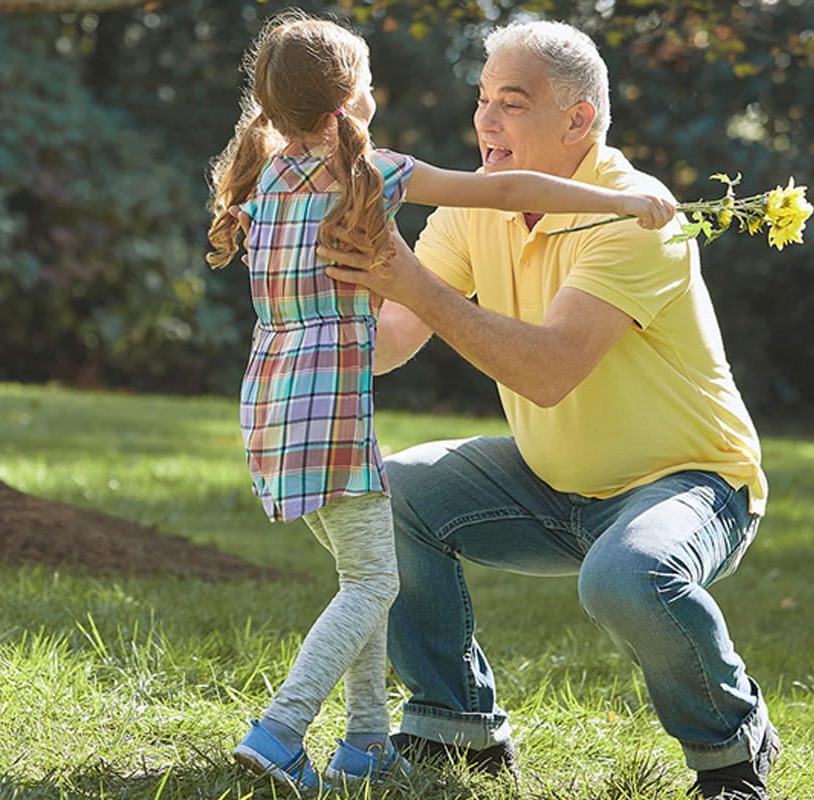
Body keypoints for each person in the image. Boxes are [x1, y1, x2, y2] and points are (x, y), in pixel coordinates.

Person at [204, 11, 674, 794]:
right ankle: (281, 730)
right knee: (371, 587)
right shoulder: (371, 172)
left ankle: (362, 746)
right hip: (332, 411)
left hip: (271, 402)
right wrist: (623, 205)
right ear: (346, 107)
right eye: (367, 85)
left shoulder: (264, 179)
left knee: (364, 573)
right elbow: (509, 188)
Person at [318, 19, 780, 800]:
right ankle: (454, 727)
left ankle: (732, 749)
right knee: (386, 495)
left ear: (578, 119)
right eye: (483, 99)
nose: (486, 122)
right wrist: (325, 288)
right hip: (552, 481)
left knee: (630, 577)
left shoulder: (634, 215)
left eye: (513, 102)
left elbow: (549, 370)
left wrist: (407, 279)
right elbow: (394, 336)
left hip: (693, 483)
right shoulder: (476, 206)